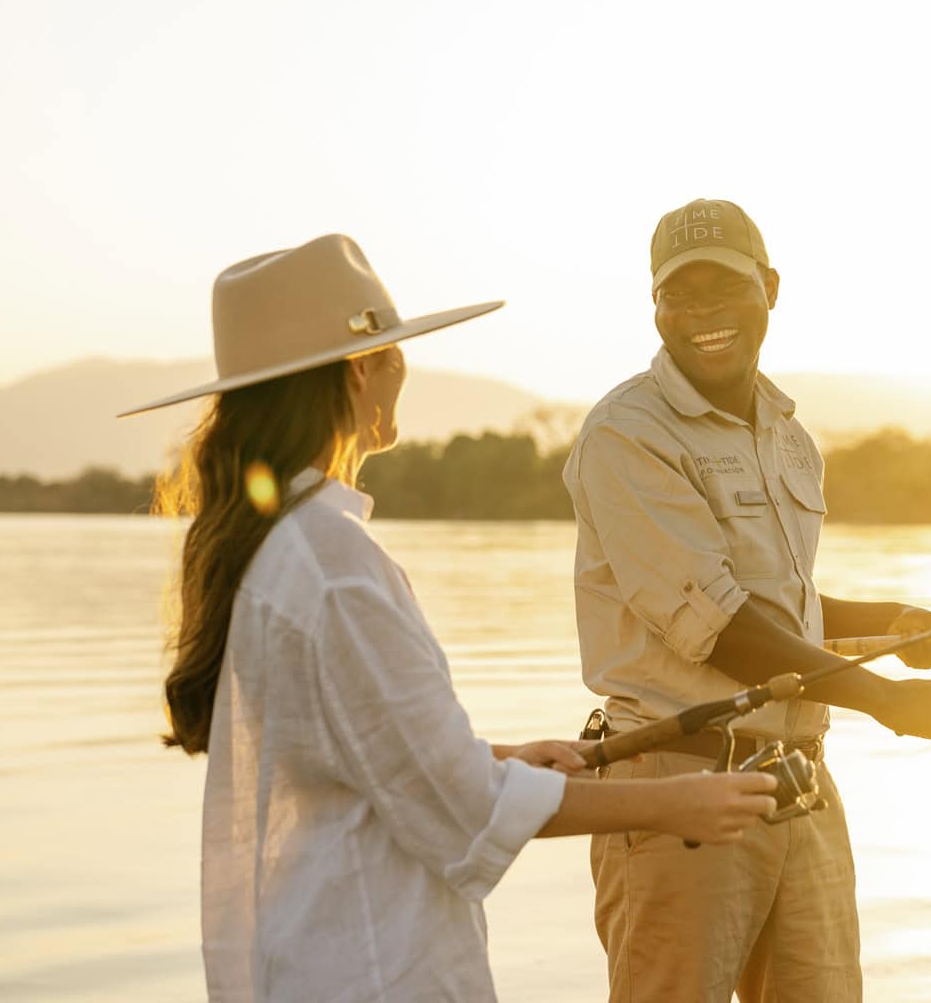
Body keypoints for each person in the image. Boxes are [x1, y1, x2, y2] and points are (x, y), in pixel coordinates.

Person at [122, 233, 777, 1003]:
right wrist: (672, 804)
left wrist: (502, 756)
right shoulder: (333, 561)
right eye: (397, 350)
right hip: (373, 969)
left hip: (310, 958)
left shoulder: (275, 544)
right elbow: (461, 806)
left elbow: (360, 749)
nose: (403, 368)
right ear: (365, 368)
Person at [564, 199, 931, 1003]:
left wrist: (889, 627)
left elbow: (781, 609)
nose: (701, 315)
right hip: (678, 788)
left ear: (770, 289)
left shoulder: (788, 434)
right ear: (653, 308)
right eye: (677, 297)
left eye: (722, 289)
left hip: (802, 785)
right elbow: (719, 623)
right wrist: (885, 698)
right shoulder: (626, 434)